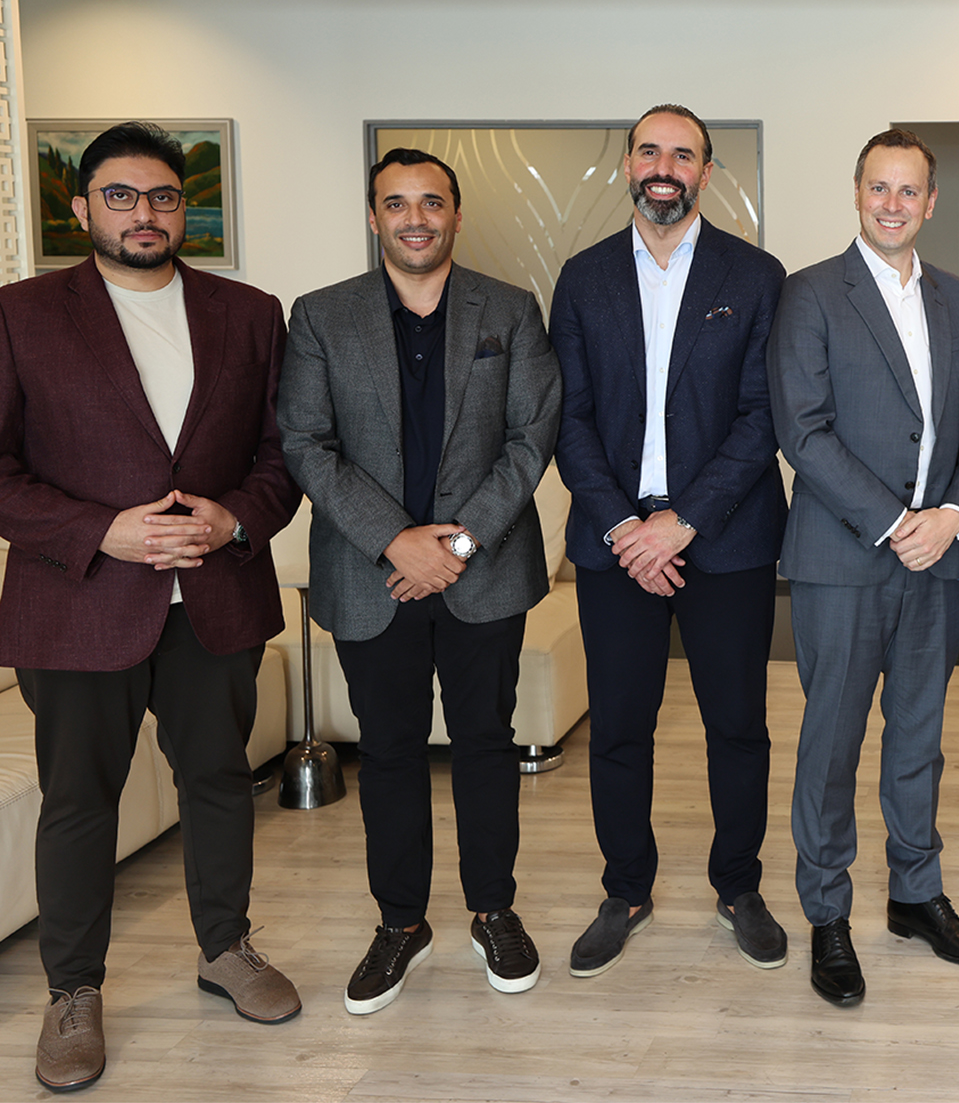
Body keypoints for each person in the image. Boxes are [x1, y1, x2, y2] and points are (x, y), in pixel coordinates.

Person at [0, 121, 303, 1091]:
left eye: (164, 196)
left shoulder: (248, 312)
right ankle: (73, 992)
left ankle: (226, 949)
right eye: (122, 196)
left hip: (214, 598)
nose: (145, 213)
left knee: (218, 780)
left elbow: (284, 452)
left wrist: (234, 516)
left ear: (185, 209)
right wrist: (102, 531)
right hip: (78, 604)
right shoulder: (21, 314)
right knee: (79, 801)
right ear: (81, 207)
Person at [278, 148, 561, 1014]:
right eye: (396, 203)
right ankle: (400, 922)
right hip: (371, 577)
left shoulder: (509, 309)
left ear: (456, 215)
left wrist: (459, 542)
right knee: (390, 753)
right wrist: (397, 542)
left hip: (486, 572)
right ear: (374, 218)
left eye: (431, 202)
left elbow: (532, 437)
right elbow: (306, 443)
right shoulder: (320, 316)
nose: (415, 218)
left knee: (486, 745)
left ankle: (493, 911)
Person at [548, 105, 790, 976]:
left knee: (738, 725)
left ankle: (739, 888)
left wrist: (681, 523)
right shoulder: (582, 278)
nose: (665, 166)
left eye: (683, 154)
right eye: (650, 150)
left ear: (707, 173)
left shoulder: (756, 275)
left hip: (725, 538)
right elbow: (567, 418)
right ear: (626, 165)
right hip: (615, 540)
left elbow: (764, 418)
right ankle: (625, 889)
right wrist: (626, 528)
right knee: (619, 726)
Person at [768, 128, 959, 1007]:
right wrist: (897, 521)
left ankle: (915, 894)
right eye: (879, 188)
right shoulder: (810, 294)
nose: (893, 204)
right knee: (831, 743)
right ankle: (827, 912)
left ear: (932, 202)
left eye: (909, 191)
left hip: (938, 558)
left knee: (917, 739)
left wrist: (951, 517)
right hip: (843, 558)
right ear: (857, 193)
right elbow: (803, 430)